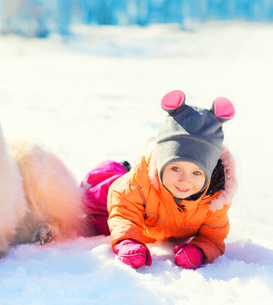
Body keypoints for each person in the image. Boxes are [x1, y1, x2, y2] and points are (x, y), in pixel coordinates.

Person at [81, 90, 237, 269]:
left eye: (196, 173)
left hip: (156, 228)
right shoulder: (139, 181)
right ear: (162, 163)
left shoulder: (215, 199)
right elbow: (124, 212)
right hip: (122, 205)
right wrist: (128, 242)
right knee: (89, 205)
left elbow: (213, 238)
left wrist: (199, 252)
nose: (184, 181)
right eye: (175, 168)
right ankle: (111, 170)